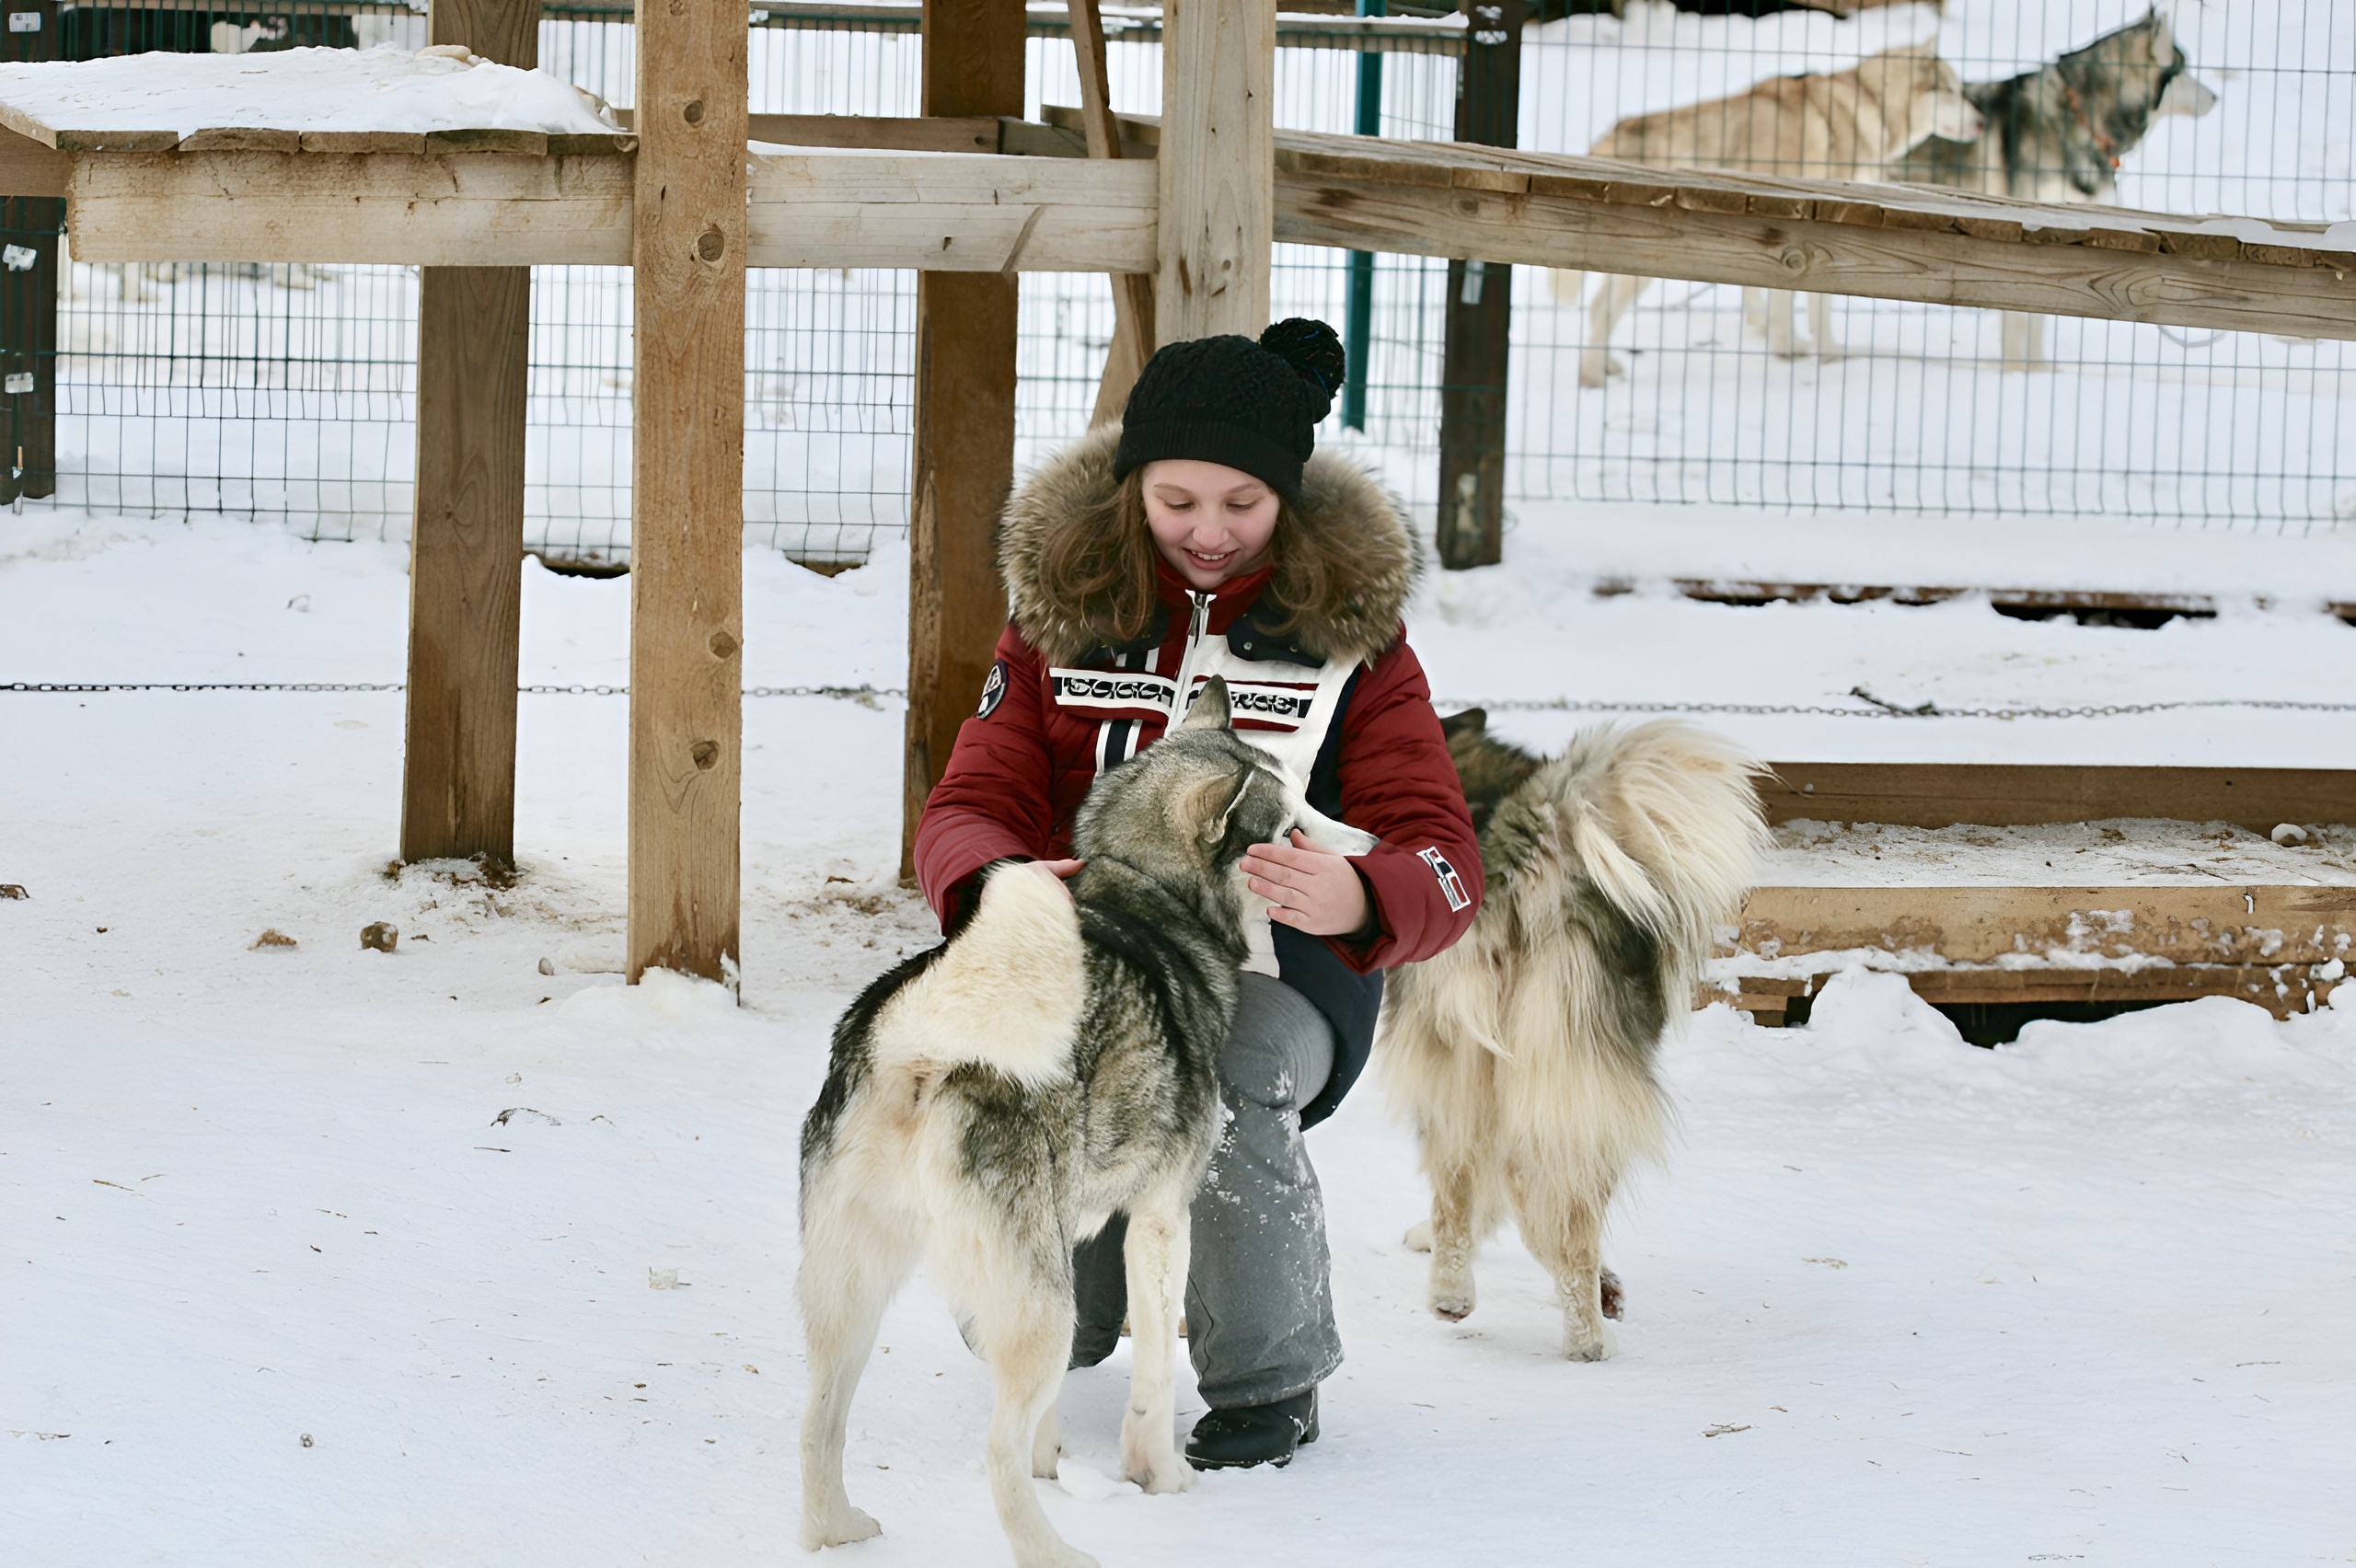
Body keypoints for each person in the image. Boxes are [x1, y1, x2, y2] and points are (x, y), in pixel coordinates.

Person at [912, 318, 1482, 1470]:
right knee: (1030, 1065)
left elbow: (1443, 857)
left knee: (1217, 1079)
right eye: (1177, 502)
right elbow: (966, 806)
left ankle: (1268, 1378)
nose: (1208, 533)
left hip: (1278, 971)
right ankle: (1051, 1303)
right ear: (1132, 490)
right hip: (1084, 956)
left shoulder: (1350, 641)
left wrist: (1362, 896)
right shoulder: (1059, 616)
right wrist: (1002, 884)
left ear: (1288, 499)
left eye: (1242, 504)